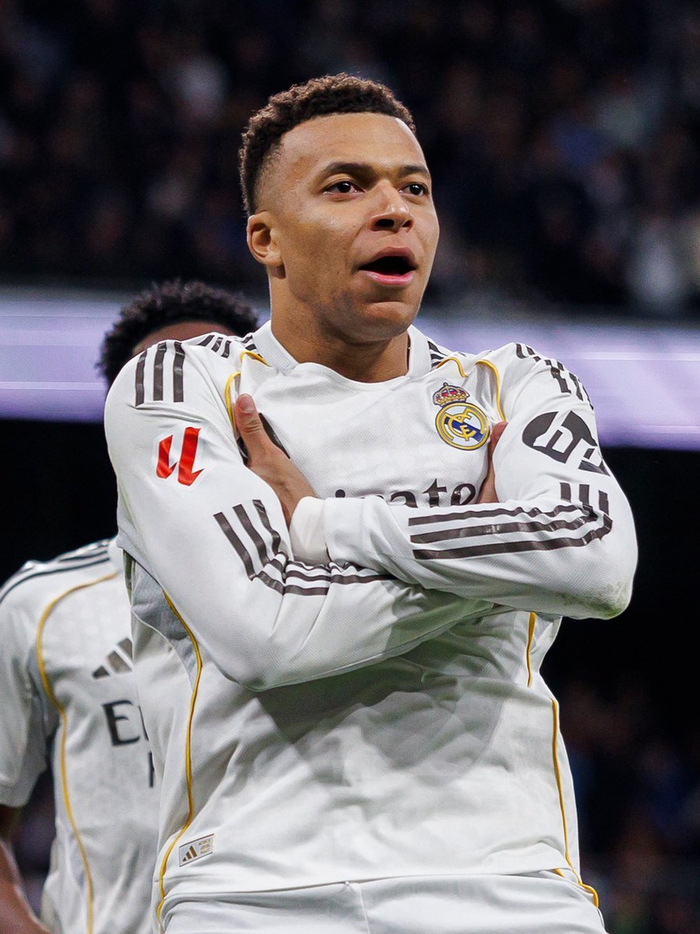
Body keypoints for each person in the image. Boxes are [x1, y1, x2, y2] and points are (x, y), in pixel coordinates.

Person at [104, 75, 638, 934]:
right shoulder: (186, 384)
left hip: (510, 884)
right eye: (347, 186)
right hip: (256, 891)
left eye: (414, 189)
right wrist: (497, 558)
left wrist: (324, 526)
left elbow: (599, 564)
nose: (394, 211)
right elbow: (266, 631)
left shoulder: (517, 383)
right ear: (266, 238)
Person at [0, 280, 258, 934]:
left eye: (215, 380)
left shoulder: (333, 582)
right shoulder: (42, 606)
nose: (188, 408)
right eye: (160, 389)